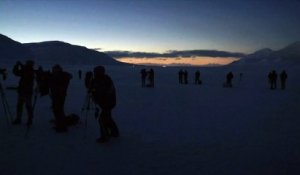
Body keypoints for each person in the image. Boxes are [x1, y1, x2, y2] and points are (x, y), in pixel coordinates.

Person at [91, 65, 119, 143]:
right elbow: (93, 89)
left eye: (95, 72)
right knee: (107, 117)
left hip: (108, 102)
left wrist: (95, 94)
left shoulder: (105, 80)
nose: (94, 73)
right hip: (106, 102)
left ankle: (105, 136)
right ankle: (115, 132)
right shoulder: (99, 79)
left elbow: (102, 92)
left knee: (102, 119)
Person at [49, 64, 72, 132]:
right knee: (56, 109)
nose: (54, 70)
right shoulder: (56, 76)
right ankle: (60, 124)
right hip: (55, 95)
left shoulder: (62, 76)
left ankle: (62, 126)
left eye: (55, 69)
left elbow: (62, 83)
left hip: (60, 95)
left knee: (58, 110)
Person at [12, 60, 35, 126]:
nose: (27, 64)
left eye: (28, 63)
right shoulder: (25, 69)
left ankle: (29, 120)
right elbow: (16, 72)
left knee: (28, 106)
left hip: (27, 92)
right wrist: (17, 66)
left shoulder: (30, 71)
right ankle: (18, 118)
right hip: (22, 91)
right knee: (20, 105)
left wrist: (20, 65)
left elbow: (26, 74)